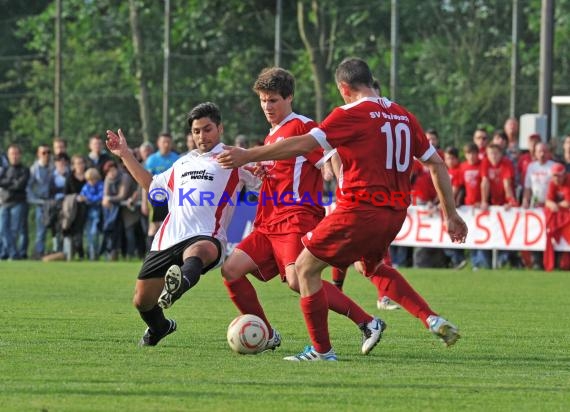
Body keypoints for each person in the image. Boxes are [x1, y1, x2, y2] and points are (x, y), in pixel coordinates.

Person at [218, 58, 468, 361]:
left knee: (305, 269)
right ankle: (431, 319)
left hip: (358, 209)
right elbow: (437, 164)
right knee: (372, 268)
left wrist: (247, 155)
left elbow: (306, 145)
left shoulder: (350, 113)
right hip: (394, 214)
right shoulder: (403, 115)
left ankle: (322, 351)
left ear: (343, 87)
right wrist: (451, 215)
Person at [217, 67, 384, 355]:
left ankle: (368, 322)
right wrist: (262, 170)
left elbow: (331, 156)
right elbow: (281, 171)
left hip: (296, 217)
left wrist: (337, 177)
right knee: (231, 270)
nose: (267, 107)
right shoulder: (272, 137)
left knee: (299, 279)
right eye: (263, 100)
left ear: (289, 97)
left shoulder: (302, 126)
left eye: (273, 100)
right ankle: (266, 334)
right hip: (268, 222)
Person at [105, 102, 259, 347]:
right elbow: (153, 186)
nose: (201, 136)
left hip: (207, 235)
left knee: (200, 252)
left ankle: (176, 288)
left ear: (220, 128)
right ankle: (160, 327)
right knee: (141, 301)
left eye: (207, 129)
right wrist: (125, 153)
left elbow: (267, 181)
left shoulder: (235, 157)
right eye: (196, 131)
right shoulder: (183, 163)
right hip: (168, 238)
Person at [143, 132, 179, 251]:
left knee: (170, 225)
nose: (166, 144)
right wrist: (144, 202)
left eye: (168, 142)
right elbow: (145, 183)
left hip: (172, 197)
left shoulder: (176, 159)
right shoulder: (151, 160)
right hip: (155, 197)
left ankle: (167, 253)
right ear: (158, 143)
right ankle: (150, 253)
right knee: (154, 226)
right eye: (163, 142)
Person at [0, 144, 29, 260]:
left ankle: (11, 253)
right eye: (12, 154)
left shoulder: (24, 170)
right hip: (5, 203)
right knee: (2, 229)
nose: (14, 156)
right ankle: (12, 253)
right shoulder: (5, 170)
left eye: (16, 154)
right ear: (8, 155)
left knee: (14, 230)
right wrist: (12, 182)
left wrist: (8, 183)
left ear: (20, 155)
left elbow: (20, 185)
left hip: (18, 203)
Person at [27, 144, 53, 259]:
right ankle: (39, 253)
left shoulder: (53, 167)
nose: (46, 155)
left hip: (53, 202)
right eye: (43, 153)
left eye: (48, 152)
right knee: (40, 231)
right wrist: (34, 200)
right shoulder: (34, 169)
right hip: (41, 203)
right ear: (38, 154)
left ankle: (57, 252)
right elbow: (28, 187)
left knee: (56, 230)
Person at [79, 167, 104, 261]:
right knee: (88, 234)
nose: (91, 182)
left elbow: (100, 197)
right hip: (87, 214)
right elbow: (82, 196)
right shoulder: (86, 186)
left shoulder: (101, 185)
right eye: (89, 180)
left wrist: (88, 199)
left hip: (97, 213)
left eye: (93, 179)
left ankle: (96, 253)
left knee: (95, 233)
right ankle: (90, 254)